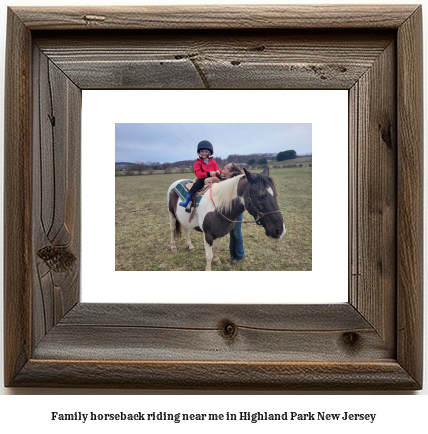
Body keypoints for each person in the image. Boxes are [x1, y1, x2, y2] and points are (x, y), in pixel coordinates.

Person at [179, 140, 222, 207]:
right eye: (202, 151)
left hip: (214, 178)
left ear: (210, 153)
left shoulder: (213, 162)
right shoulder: (197, 163)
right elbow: (198, 175)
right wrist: (208, 174)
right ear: (199, 152)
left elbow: (217, 169)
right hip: (203, 179)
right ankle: (187, 199)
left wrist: (218, 172)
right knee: (196, 185)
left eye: (206, 151)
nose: (204, 153)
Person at [223, 163, 245, 264]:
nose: (223, 167)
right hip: (228, 213)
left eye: (226, 167)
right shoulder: (224, 181)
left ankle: (240, 256)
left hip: (236, 212)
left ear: (231, 172)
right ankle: (232, 255)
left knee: (237, 233)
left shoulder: (236, 183)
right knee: (231, 233)